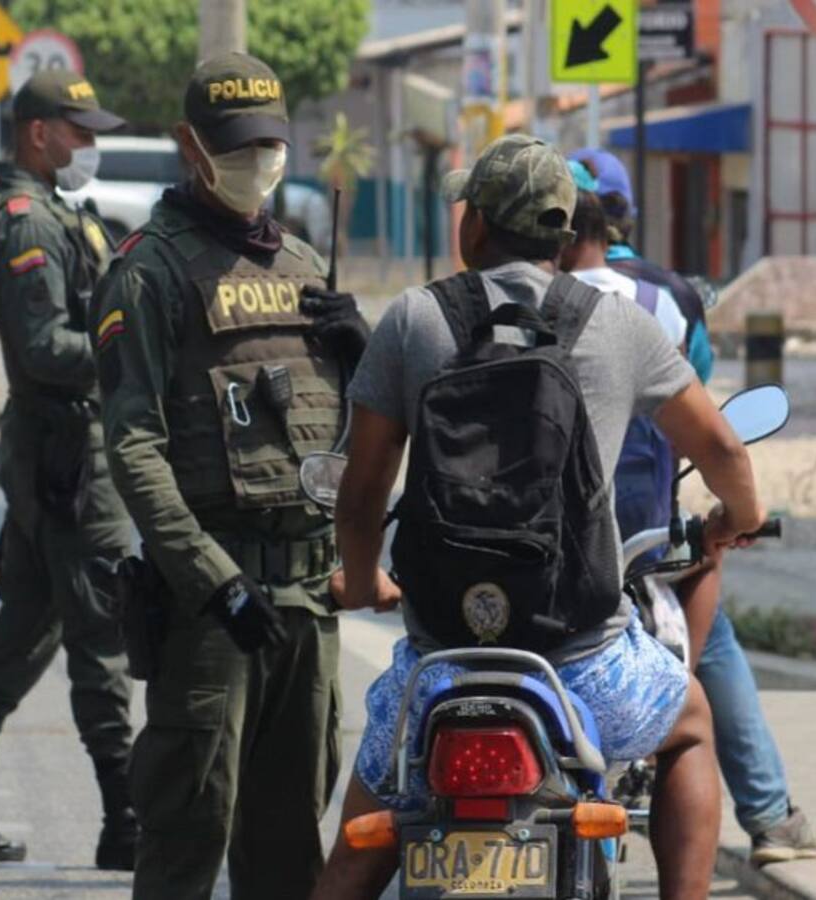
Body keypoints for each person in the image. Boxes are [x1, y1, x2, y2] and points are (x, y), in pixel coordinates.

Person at [310, 134, 769, 900]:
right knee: (689, 722)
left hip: (441, 660)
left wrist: (363, 582)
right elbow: (723, 446)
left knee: (364, 841)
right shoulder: (619, 327)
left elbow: (359, 495)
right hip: (584, 660)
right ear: (562, 234)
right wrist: (735, 519)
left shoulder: (412, 320)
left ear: (477, 228)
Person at [92, 52, 367, 900]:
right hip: (215, 608)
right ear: (191, 146)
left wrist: (364, 359)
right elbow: (134, 446)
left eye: (270, 145)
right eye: (239, 148)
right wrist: (213, 582)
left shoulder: (302, 264)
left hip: (308, 602)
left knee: (289, 846)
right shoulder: (148, 271)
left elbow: (341, 437)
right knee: (188, 836)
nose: (260, 163)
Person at [570, 148, 816, 864]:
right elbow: (701, 412)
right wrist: (730, 517)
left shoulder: (517, 293)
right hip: (642, 537)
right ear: (621, 216)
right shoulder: (669, 297)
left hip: (525, 545)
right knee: (705, 652)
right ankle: (771, 816)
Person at [0, 70, 137, 870]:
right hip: (70, 456)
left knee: (24, 631)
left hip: (55, 453)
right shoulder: (28, 224)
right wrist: (131, 352)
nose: (90, 146)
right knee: (99, 634)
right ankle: (125, 822)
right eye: (79, 132)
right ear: (39, 133)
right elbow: (47, 352)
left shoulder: (55, 212)